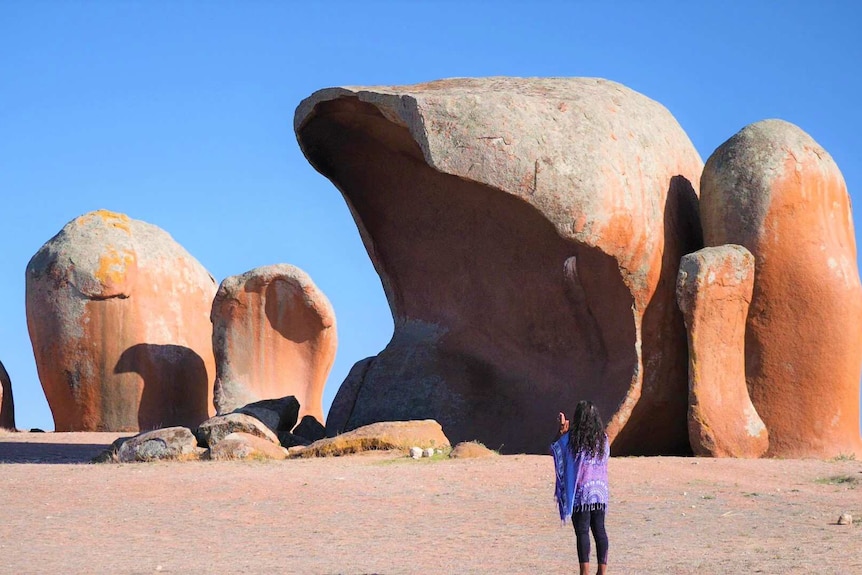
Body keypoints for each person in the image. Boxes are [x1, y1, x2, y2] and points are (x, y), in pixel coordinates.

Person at [551, 400, 610, 575]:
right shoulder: (603, 440)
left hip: (581, 492)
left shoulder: (573, 439)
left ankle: (584, 571)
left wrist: (561, 432)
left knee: (582, 531)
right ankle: (602, 571)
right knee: (600, 530)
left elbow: (556, 450)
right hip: (600, 492)